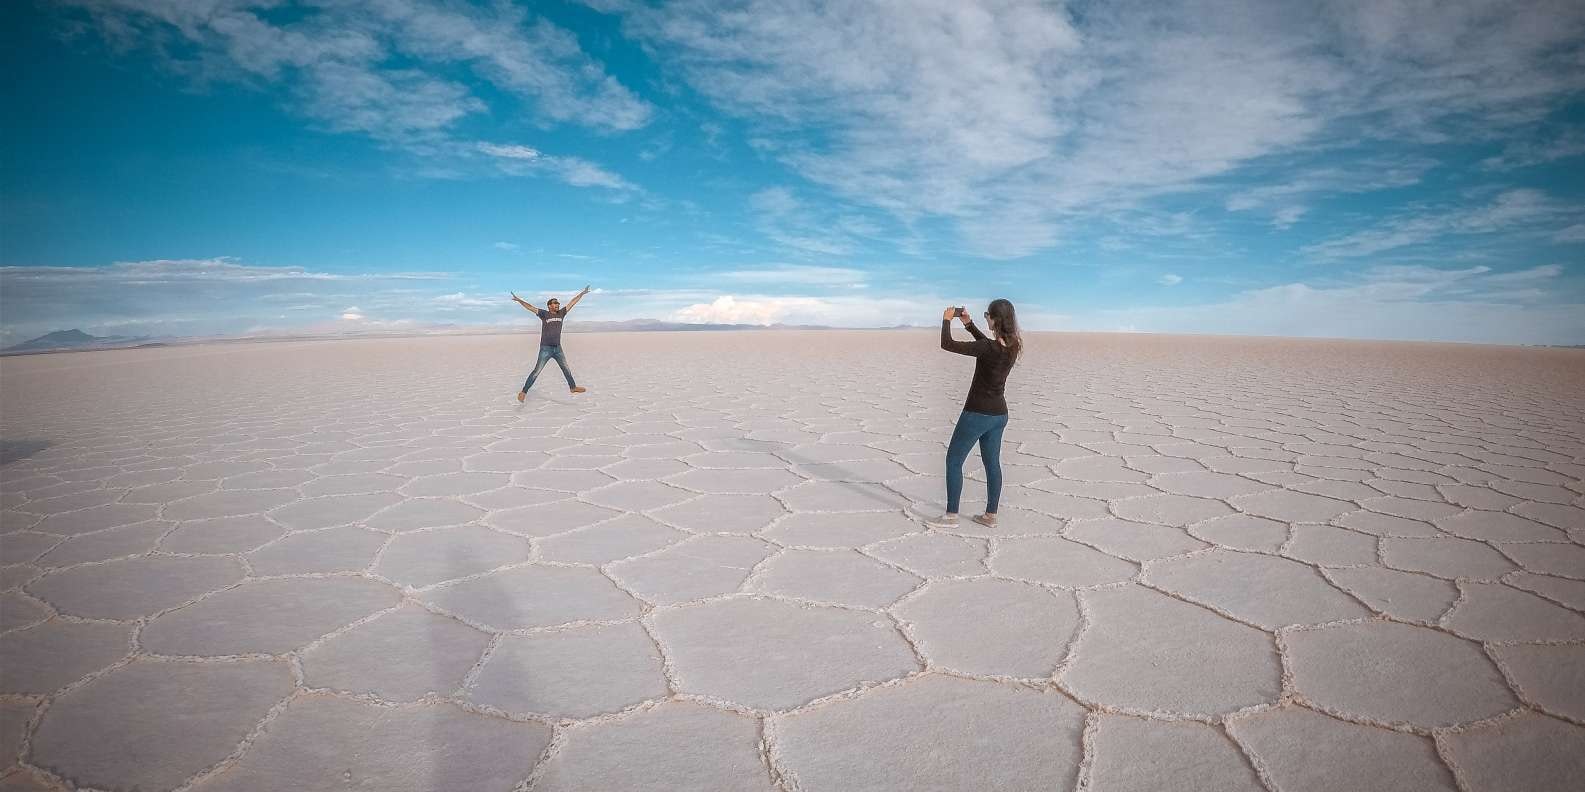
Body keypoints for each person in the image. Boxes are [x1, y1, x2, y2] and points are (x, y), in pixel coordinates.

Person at [928, 299, 1023, 528]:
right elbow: (987, 346)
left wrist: (947, 319)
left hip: (976, 414)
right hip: (999, 415)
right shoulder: (1013, 345)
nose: (985, 318)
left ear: (995, 319)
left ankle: (951, 516)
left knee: (953, 461)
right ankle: (991, 516)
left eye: (987, 315)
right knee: (992, 464)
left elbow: (947, 344)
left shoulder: (988, 348)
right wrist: (969, 324)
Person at [511, 286, 592, 402]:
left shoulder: (562, 313)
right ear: (549, 306)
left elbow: (572, 302)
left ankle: (573, 387)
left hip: (558, 348)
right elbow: (530, 307)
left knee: (566, 369)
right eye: (555, 303)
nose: (557, 305)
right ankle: (524, 392)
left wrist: (582, 294)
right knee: (536, 371)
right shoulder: (544, 314)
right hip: (546, 349)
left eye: (558, 303)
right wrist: (519, 300)